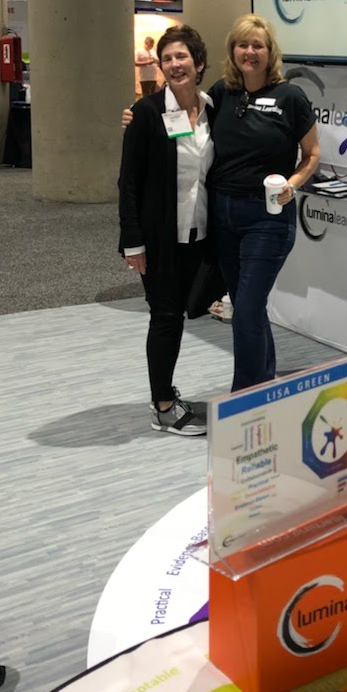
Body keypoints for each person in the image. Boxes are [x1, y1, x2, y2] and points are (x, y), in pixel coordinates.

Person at [207, 15, 321, 391]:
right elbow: (184, 116)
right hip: (223, 215)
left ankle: (244, 399)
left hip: (267, 219)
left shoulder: (291, 97)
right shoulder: (221, 92)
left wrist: (293, 184)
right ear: (232, 51)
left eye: (258, 45)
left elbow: (312, 154)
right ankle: (265, 390)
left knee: (246, 311)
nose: (250, 52)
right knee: (248, 309)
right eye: (242, 45)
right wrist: (139, 116)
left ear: (270, 52)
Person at [119, 25, 213, 436]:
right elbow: (128, 181)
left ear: (199, 63)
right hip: (159, 238)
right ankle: (162, 406)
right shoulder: (146, 112)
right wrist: (132, 242)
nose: (174, 65)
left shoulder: (213, 109)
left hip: (199, 233)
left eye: (182, 57)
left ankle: (166, 397)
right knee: (166, 317)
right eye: (168, 58)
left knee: (180, 313)